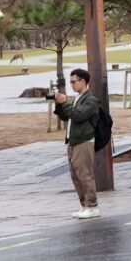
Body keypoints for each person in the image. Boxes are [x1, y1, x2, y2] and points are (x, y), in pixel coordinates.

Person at [53, 68, 101, 219]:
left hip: (84, 142)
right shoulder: (77, 99)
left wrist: (65, 103)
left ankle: (93, 206)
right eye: (70, 82)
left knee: (85, 175)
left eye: (74, 82)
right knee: (76, 176)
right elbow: (67, 116)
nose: (72, 85)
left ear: (83, 81)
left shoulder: (90, 100)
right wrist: (60, 105)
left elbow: (78, 116)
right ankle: (85, 205)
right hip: (73, 142)